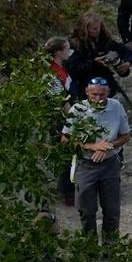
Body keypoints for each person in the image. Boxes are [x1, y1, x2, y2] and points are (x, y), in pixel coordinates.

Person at [65, 75, 132, 239]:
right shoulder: (78, 110)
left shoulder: (116, 107)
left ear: (108, 92)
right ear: (87, 92)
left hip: (110, 163)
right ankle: (90, 247)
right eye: (94, 94)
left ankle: (110, 249)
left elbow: (125, 136)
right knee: (86, 210)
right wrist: (91, 146)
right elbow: (66, 139)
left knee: (112, 210)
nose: (98, 98)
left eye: (102, 95)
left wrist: (108, 146)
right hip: (86, 164)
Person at [70, 11, 132, 102]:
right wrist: (94, 63)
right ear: (85, 29)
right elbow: (74, 69)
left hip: (106, 84)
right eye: (94, 29)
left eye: (99, 28)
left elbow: (126, 52)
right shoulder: (75, 45)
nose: (98, 31)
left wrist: (127, 62)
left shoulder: (104, 40)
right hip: (85, 86)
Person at [44, 38, 80, 206]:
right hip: (60, 120)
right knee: (67, 156)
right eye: (66, 49)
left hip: (64, 117)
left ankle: (64, 189)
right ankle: (68, 193)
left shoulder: (59, 69)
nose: (69, 52)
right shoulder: (51, 74)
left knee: (66, 155)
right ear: (58, 52)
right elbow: (60, 100)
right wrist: (73, 120)